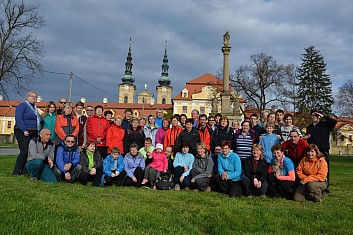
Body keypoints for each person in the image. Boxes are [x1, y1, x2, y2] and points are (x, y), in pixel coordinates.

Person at [306, 109, 337, 192]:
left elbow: (334, 122)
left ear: (319, 116)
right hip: (313, 152)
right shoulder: (309, 127)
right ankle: (314, 184)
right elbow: (309, 140)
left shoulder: (325, 125)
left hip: (323, 150)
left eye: (316, 115)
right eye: (313, 115)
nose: (314, 117)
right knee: (314, 169)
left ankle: (326, 186)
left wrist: (323, 115)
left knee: (325, 169)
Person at [13, 91, 43, 176]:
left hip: (34, 131)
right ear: (27, 97)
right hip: (23, 131)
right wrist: (24, 130)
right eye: (31, 96)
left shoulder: (35, 108)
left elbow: (39, 119)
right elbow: (18, 118)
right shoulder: (22, 105)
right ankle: (16, 171)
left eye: (35, 97)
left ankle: (25, 170)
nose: (33, 98)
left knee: (31, 152)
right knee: (24, 151)